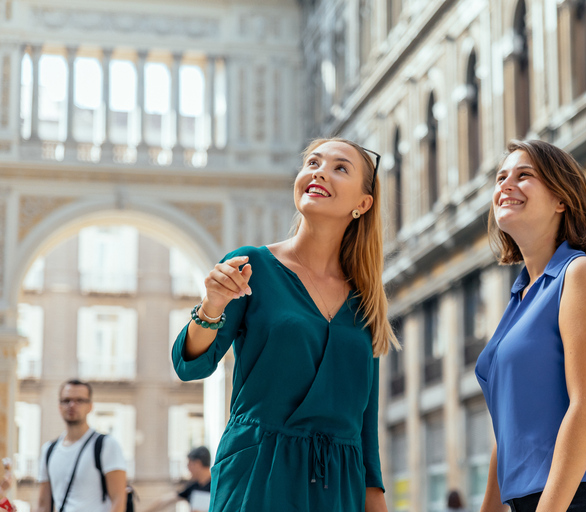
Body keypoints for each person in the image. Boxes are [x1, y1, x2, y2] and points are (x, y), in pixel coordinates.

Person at [172, 138, 398, 511]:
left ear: (363, 204)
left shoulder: (366, 299)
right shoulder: (252, 266)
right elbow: (191, 363)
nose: (320, 171)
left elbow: (365, 425)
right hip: (259, 473)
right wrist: (211, 306)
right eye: (312, 163)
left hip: (338, 484)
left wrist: (374, 499)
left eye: (340, 167)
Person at [475, 140, 586, 512]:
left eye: (524, 175)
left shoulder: (579, 273)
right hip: (535, 501)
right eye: (501, 177)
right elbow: (508, 430)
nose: (505, 185)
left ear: (561, 199)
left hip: (581, 495)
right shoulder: (519, 299)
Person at [36, 379, 127, 512]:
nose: (72, 405)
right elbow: (43, 505)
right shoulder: (48, 450)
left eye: (79, 400)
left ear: (90, 406)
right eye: (66, 400)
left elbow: (119, 501)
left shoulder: (106, 445)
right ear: (59, 406)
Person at [142, 447, 211, 512]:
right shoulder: (194, 486)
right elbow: (166, 500)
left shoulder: (217, 486)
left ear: (198, 463)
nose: (188, 468)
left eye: (189, 464)